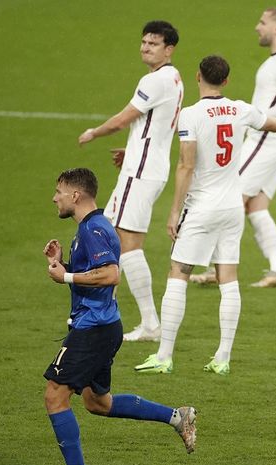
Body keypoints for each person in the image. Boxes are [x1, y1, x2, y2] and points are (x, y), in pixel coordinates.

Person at [134, 55, 276, 375]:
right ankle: (223, 357)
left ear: (197, 76)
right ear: (226, 81)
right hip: (232, 208)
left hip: (201, 206)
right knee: (228, 278)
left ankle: (164, 355)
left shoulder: (190, 115)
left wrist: (174, 210)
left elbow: (186, 165)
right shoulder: (241, 109)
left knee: (179, 272)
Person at [40, 168, 197, 465]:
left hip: (93, 329)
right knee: (98, 403)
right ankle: (177, 416)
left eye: (59, 191)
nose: (54, 197)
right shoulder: (90, 227)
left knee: (55, 396)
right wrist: (63, 265)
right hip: (104, 325)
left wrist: (66, 278)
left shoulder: (94, 229)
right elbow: (93, 272)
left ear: (76, 195)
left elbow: (110, 275)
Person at [78, 20, 183, 342]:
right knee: (113, 235)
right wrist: (134, 147)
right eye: (143, 42)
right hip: (147, 164)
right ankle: (108, 311)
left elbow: (125, 117)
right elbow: (156, 124)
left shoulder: (155, 81)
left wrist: (95, 132)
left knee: (127, 244)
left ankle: (150, 324)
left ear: (169, 49)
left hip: (142, 171)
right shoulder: (173, 77)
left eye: (153, 43)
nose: (145, 48)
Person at [190, 8, 276, 288]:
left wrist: (257, 118)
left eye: (263, 23)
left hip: (267, 140)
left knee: (229, 198)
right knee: (256, 206)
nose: (257, 27)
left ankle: (218, 270)